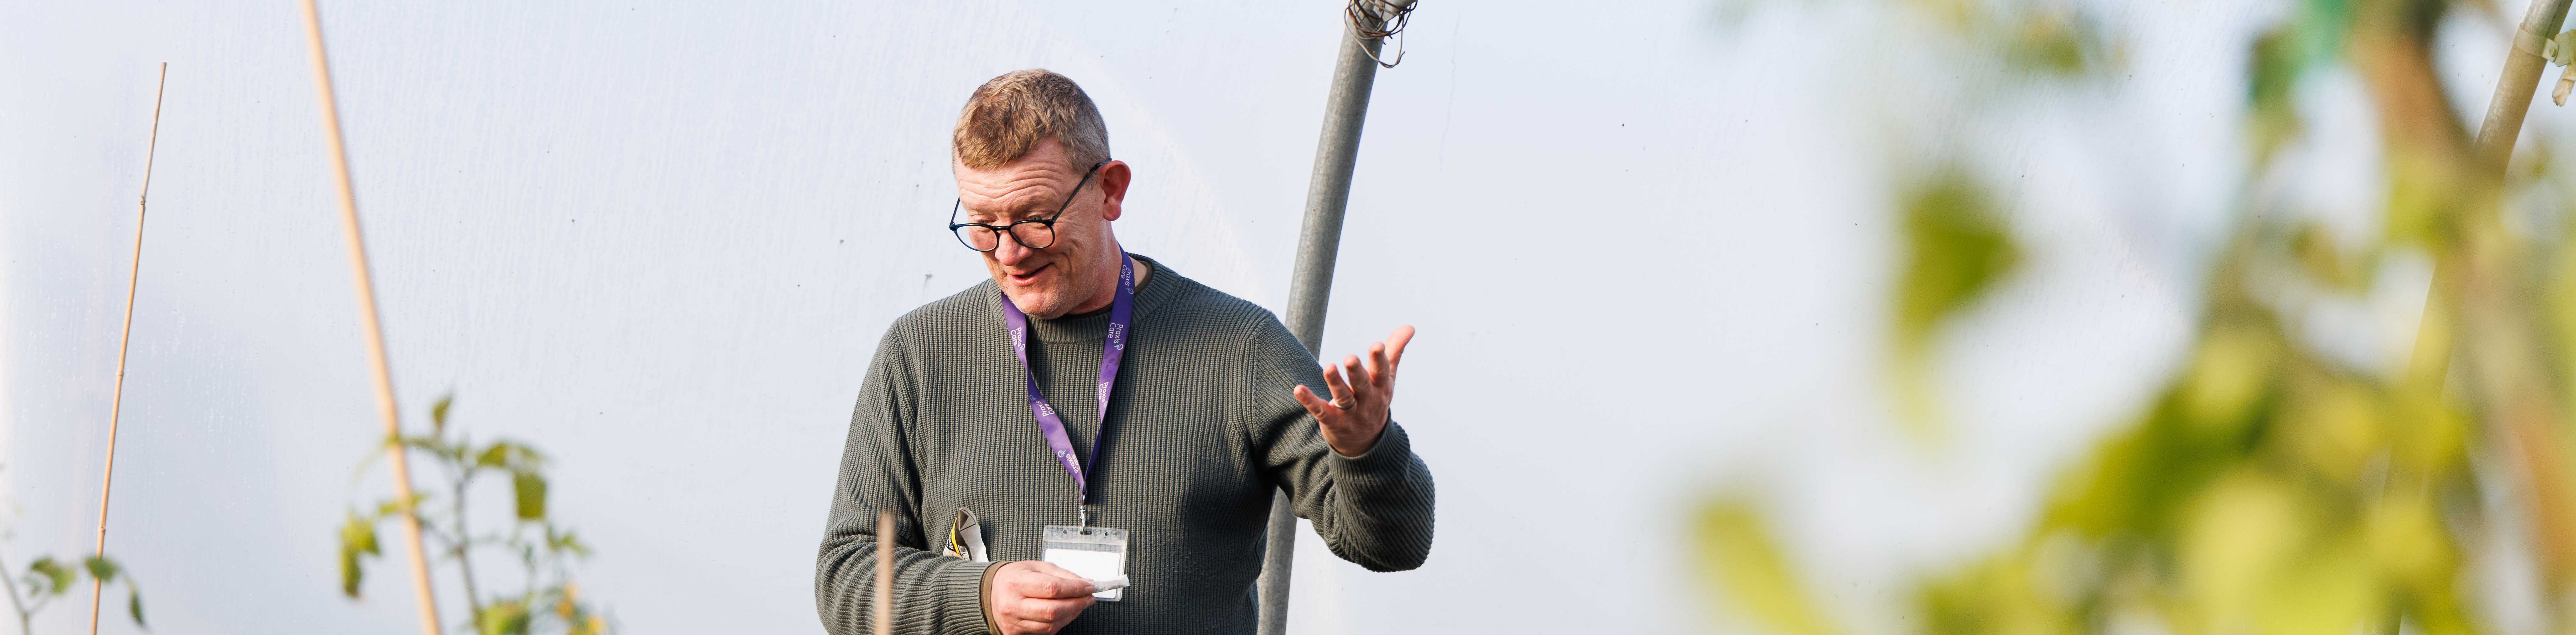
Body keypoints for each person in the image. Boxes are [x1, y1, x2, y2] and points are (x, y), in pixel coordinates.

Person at [814, 69, 1437, 635]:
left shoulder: (1239, 348)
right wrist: (980, 594)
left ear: (1110, 191)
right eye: (981, 223)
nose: (1008, 253)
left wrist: (1366, 450)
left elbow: (1394, 544)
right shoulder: (920, 353)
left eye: (1034, 218)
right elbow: (848, 577)